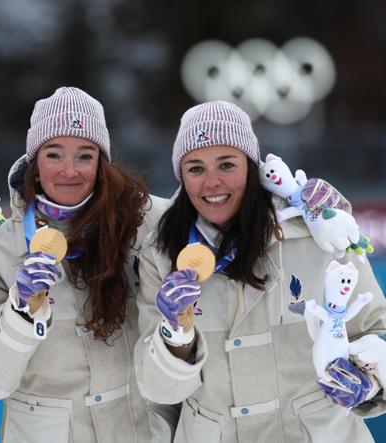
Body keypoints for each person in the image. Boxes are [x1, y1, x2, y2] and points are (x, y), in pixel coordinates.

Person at [135, 100, 386, 442]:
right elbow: (160, 392)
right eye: (196, 168)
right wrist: (176, 337)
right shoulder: (161, 253)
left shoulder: (316, 230)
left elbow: (375, 330)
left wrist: (370, 378)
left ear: (252, 167)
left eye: (226, 164)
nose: (212, 182)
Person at [0, 87, 171, 442]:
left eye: (85, 156)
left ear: (101, 163)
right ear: (34, 163)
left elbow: (211, 211)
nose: (69, 171)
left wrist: (282, 206)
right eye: (54, 154)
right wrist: (20, 312)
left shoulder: (143, 221)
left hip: (134, 430)